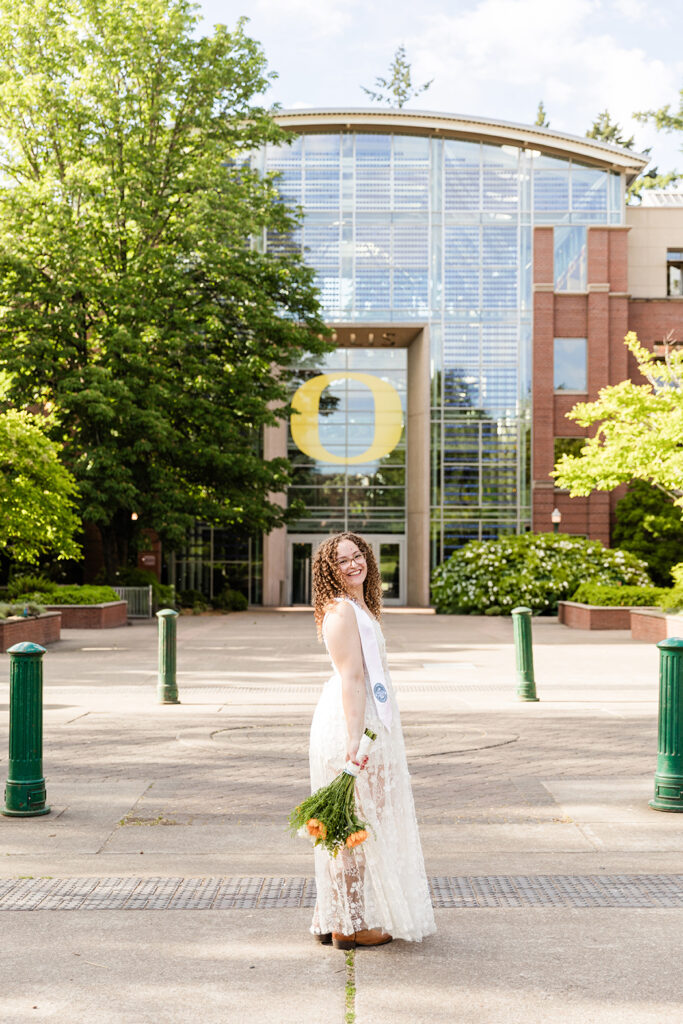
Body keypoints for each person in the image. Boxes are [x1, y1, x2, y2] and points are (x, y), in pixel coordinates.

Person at [308, 531, 436, 950]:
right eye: (341, 561)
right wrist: (353, 743)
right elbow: (352, 678)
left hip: (366, 720)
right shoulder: (342, 611)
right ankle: (351, 923)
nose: (351, 564)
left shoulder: (359, 605)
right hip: (353, 725)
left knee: (351, 825)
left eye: (356, 555)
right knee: (354, 827)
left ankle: (335, 917)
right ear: (330, 570)